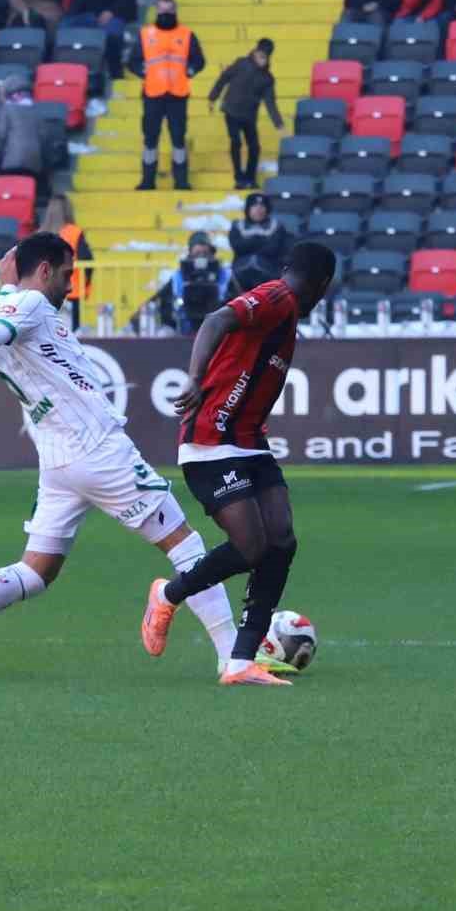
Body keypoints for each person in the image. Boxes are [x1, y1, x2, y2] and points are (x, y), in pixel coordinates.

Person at [0, 235, 247, 682]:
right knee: (185, 544)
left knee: (36, 570)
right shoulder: (33, 306)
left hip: (59, 462)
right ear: (44, 271)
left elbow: (2, 321)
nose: (71, 286)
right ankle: (232, 658)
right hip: (99, 451)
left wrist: (6, 288)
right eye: (66, 275)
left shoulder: (15, 304)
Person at [141, 240, 339, 687]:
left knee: (281, 541)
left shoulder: (285, 315)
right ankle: (167, 594)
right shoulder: (277, 297)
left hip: (250, 444)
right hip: (211, 441)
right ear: (323, 286)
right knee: (251, 545)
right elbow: (217, 319)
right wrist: (194, 379)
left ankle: (240, 662)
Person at [127, 0, 206, 191]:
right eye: (162, 10)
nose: (165, 14)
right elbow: (133, 61)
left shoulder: (187, 34)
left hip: (178, 94)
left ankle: (181, 181)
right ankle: (147, 180)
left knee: (178, 139)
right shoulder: (146, 34)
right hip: (153, 94)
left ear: (176, 11)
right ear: (156, 11)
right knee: (150, 139)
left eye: (169, 10)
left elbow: (199, 61)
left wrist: (191, 70)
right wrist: (142, 71)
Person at [209, 39, 285, 190]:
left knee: (255, 147)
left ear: (268, 58)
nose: (261, 59)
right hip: (231, 111)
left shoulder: (267, 79)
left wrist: (279, 124)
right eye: (259, 55)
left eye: (264, 57)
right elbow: (224, 77)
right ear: (255, 52)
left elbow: (270, 103)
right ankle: (239, 177)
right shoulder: (241, 63)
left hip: (249, 116)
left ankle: (250, 178)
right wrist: (213, 97)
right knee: (235, 141)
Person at [42, 194, 93, 322]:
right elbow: (87, 259)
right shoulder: (74, 232)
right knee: (68, 332)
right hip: (71, 290)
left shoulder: (40, 234)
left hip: (44, 292)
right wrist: (86, 283)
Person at [228, 193, 293, 292]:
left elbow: (273, 249)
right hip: (241, 271)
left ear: (267, 209)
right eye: (254, 206)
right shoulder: (237, 226)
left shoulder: (277, 226)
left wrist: (249, 244)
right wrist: (260, 241)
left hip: (270, 270)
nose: (258, 210)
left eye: (262, 206)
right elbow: (237, 246)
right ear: (248, 209)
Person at [169, 233, 232, 334]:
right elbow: (176, 296)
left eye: (205, 252)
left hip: (216, 318)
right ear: (190, 252)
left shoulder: (223, 272)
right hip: (187, 319)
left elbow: (226, 294)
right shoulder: (179, 274)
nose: (201, 256)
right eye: (197, 252)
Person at [0, 75, 44, 188]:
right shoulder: (37, 111)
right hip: (34, 162)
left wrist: (4, 151)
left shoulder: (7, 110)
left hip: (12, 161)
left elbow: (1, 134)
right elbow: (44, 136)